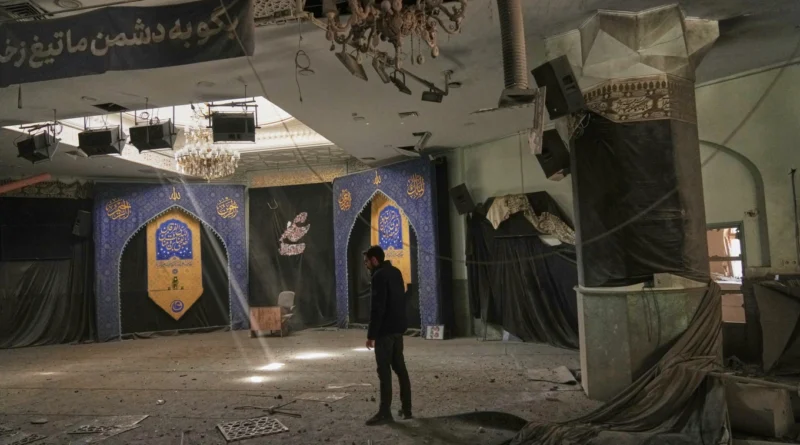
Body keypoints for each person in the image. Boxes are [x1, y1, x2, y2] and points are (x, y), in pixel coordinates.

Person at [363, 245, 412, 426]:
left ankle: (385, 413)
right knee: (400, 369)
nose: (366, 265)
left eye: (367, 262)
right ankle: (407, 409)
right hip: (398, 329)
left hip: (385, 332)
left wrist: (371, 335)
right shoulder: (396, 272)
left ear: (374, 260)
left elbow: (378, 308)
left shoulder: (378, 276)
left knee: (384, 372)